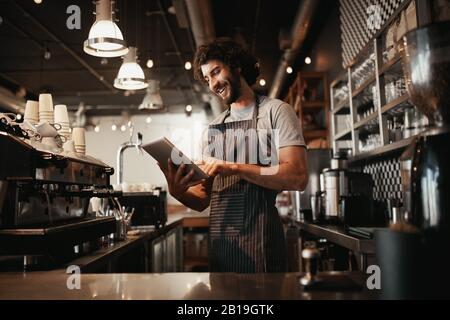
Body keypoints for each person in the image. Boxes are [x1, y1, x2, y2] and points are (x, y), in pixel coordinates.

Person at [158, 38, 308, 273]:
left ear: (236, 67)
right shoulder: (213, 130)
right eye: (207, 79)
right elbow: (202, 199)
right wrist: (178, 191)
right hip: (222, 250)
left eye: (216, 72)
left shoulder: (275, 112)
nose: (213, 84)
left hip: (263, 248)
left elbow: (297, 176)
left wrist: (232, 167)